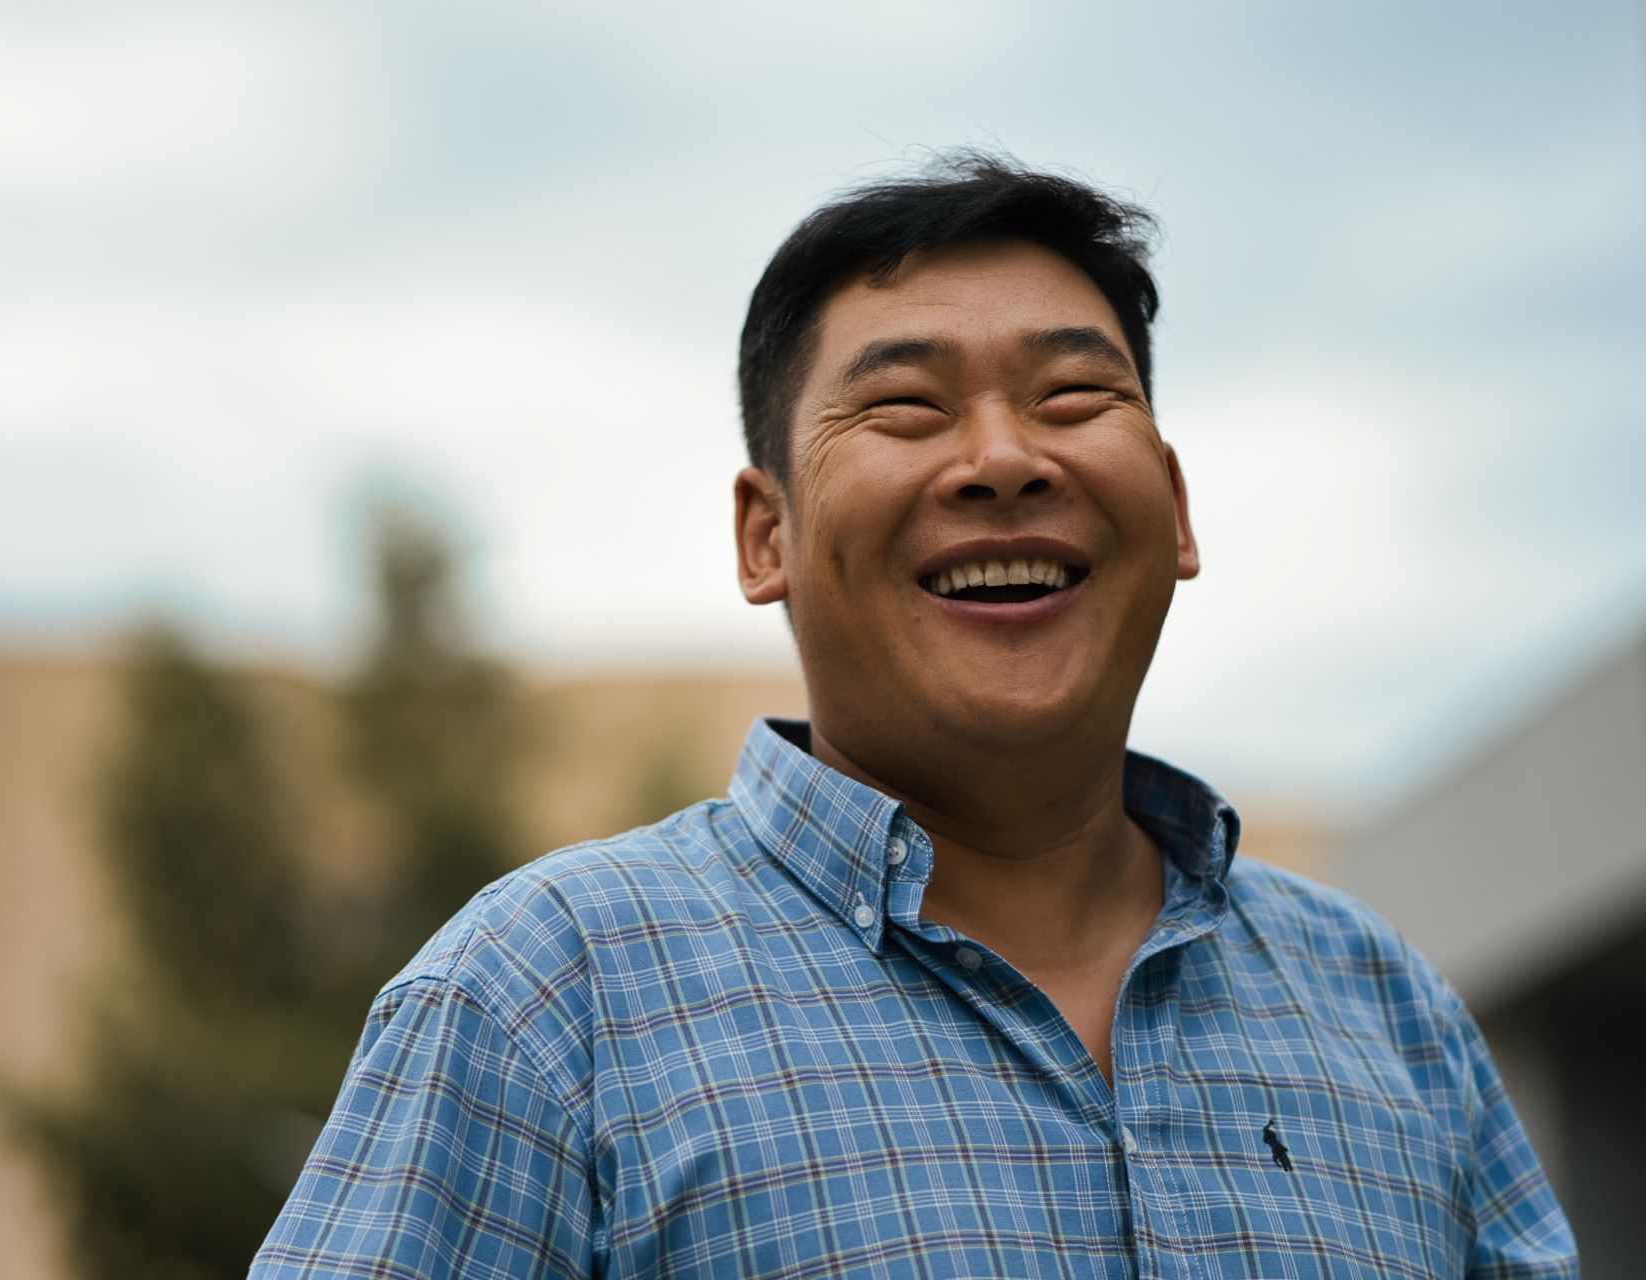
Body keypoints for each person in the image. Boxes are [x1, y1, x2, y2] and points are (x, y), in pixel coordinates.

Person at [250, 154, 1576, 1278]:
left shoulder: (1385, 1012)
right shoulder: (544, 1002)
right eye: (904, 407)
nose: (1004, 459)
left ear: (1175, 511)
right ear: (765, 535)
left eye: (1072, 397)